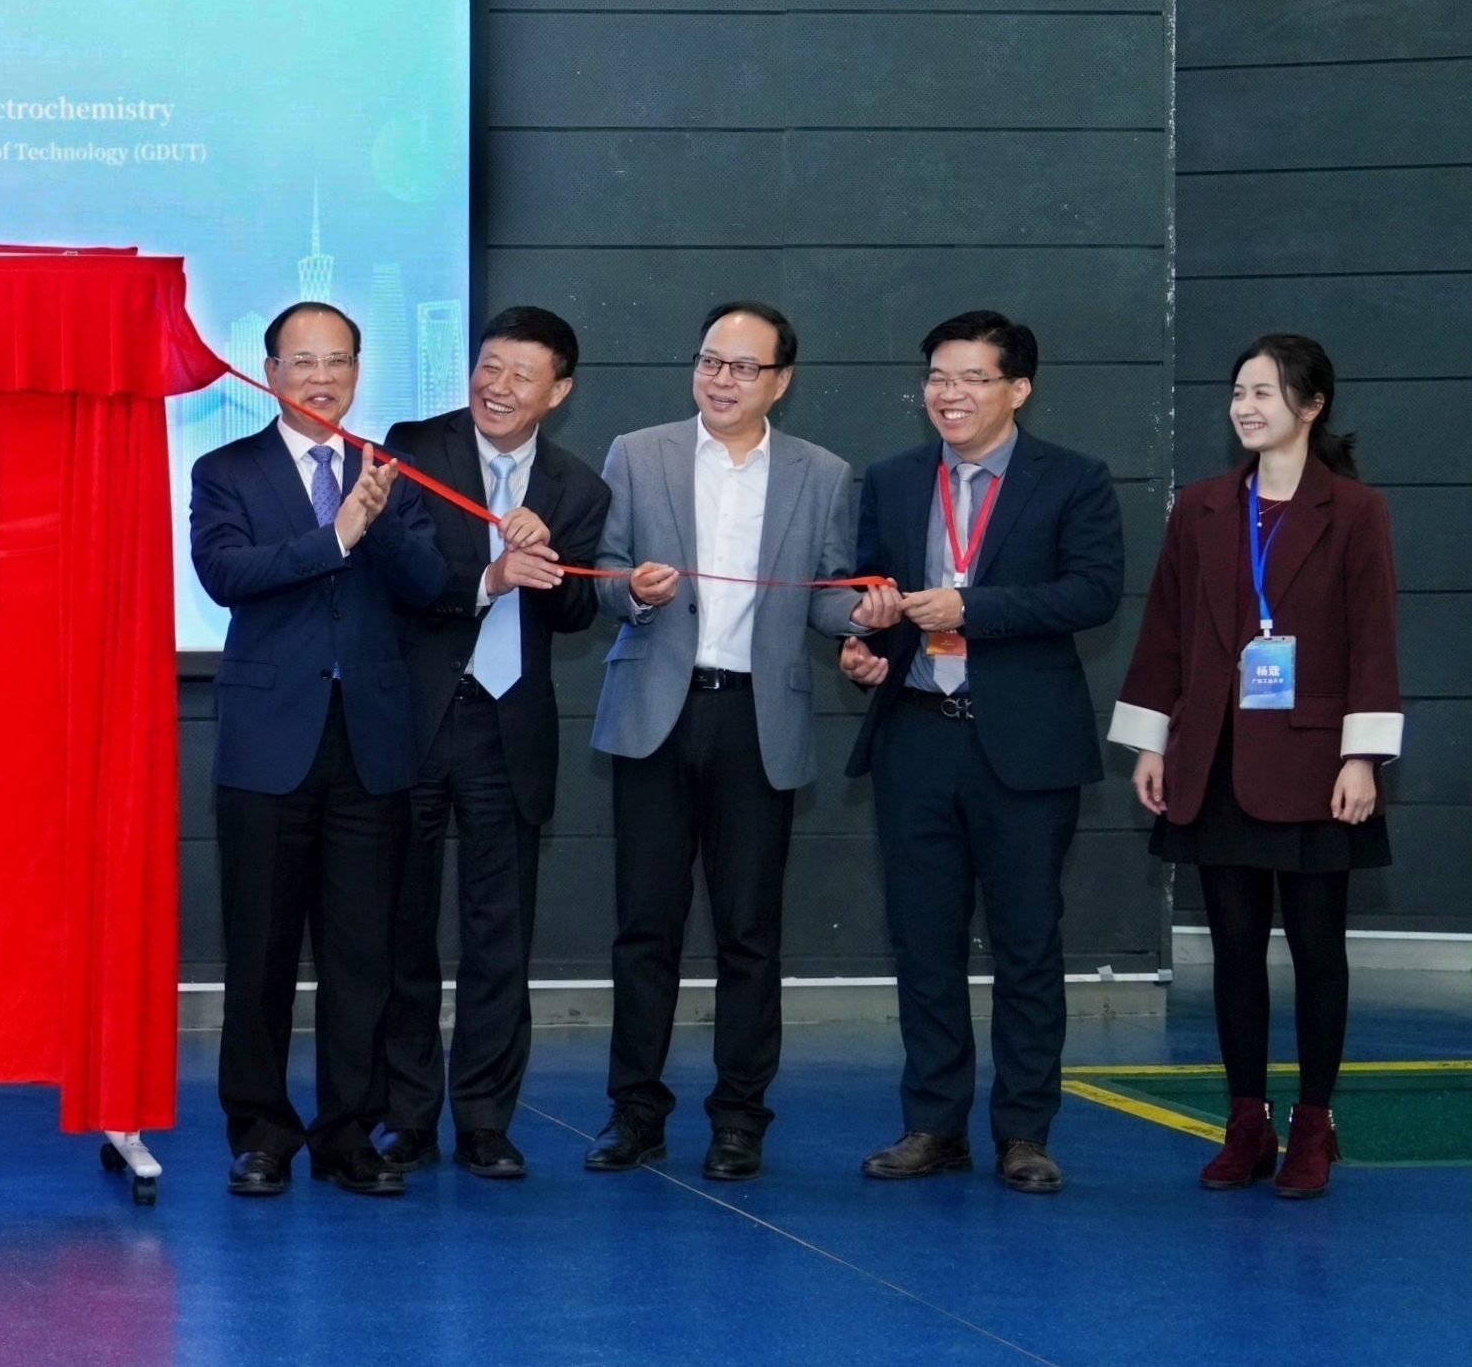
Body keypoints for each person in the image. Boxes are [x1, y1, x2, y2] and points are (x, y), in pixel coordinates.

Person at [585, 302, 876, 1182]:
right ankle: (634, 1112)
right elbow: (598, 574)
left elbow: (826, 592)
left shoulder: (823, 473)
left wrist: (862, 621)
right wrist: (632, 591)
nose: (721, 379)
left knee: (749, 933)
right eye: (710, 360)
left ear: (779, 381)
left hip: (757, 719)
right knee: (644, 927)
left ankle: (740, 1118)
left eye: (744, 367)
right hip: (655, 713)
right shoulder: (638, 453)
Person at [837, 309, 1123, 1195]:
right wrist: (864, 645)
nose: (947, 393)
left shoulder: (1072, 478)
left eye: (970, 378)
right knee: (922, 941)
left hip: (1024, 747)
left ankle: (1024, 1131)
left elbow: (1093, 592)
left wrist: (972, 607)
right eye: (936, 376)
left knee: (1026, 943)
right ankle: (932, 1123)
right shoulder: (892, 479)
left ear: (1018, 389)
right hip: (916, 734)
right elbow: (867, 591)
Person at [1111, 333, 1401, 1200]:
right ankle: (1246, 1123)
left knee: (1316, 948)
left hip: (1314, 764)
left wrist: (1360, 755)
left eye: (1264, 391)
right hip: (1214, 760)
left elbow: (1372, 637)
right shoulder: (1200, 506)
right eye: (1238, 390)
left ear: (1310, 406)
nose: (1244, 406)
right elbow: (1164, 629)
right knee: (1233, 950)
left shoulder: (1354, 510)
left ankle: (1313, 1124)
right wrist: (1152, 740)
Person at [189, 301, 449, 1199]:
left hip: (369, 743)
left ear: (357, 372)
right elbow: (226, 574)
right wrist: (335, 536)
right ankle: (261, 1133)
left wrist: (376, 521)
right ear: (269, 371)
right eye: (302, 360)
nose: (321, 376)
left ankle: (347, 1133)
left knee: (360, 956)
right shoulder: (226, 469)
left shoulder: (388, 471)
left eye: (337, 360)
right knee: (259, 951)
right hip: (268, 744)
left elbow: (430, 584)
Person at [371, 305, 608, 1179]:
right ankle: (405, 1114)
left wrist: (548, 566)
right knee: (401, 928)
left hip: (509, 729)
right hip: (417, 717)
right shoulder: (413, 448)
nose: (497, 386)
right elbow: (401, 572)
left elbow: (576, 612)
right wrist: (490, 575)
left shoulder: (578, 488)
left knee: (499, 934)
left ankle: (483, 1120)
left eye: (520, 374)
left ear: (559, 391)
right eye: (488, 366)